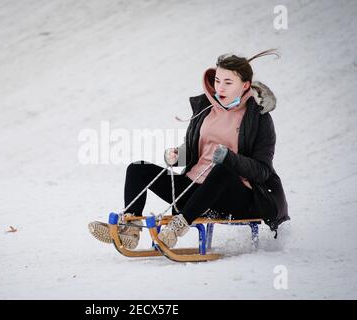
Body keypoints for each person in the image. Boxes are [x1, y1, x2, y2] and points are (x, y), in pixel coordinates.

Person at [88, 49, 289, 249]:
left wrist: (229, 158)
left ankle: (176, 229)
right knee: (137, 168)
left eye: (228, 82)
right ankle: (129, 230)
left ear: (245, 85)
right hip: (195, 191)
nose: (220, 87)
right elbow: (195, 152)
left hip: (235, 198)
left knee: (222, 170)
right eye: (218, 80)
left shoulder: (258, 117)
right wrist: (177, 156)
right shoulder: (206, 109)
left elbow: (262, 171)